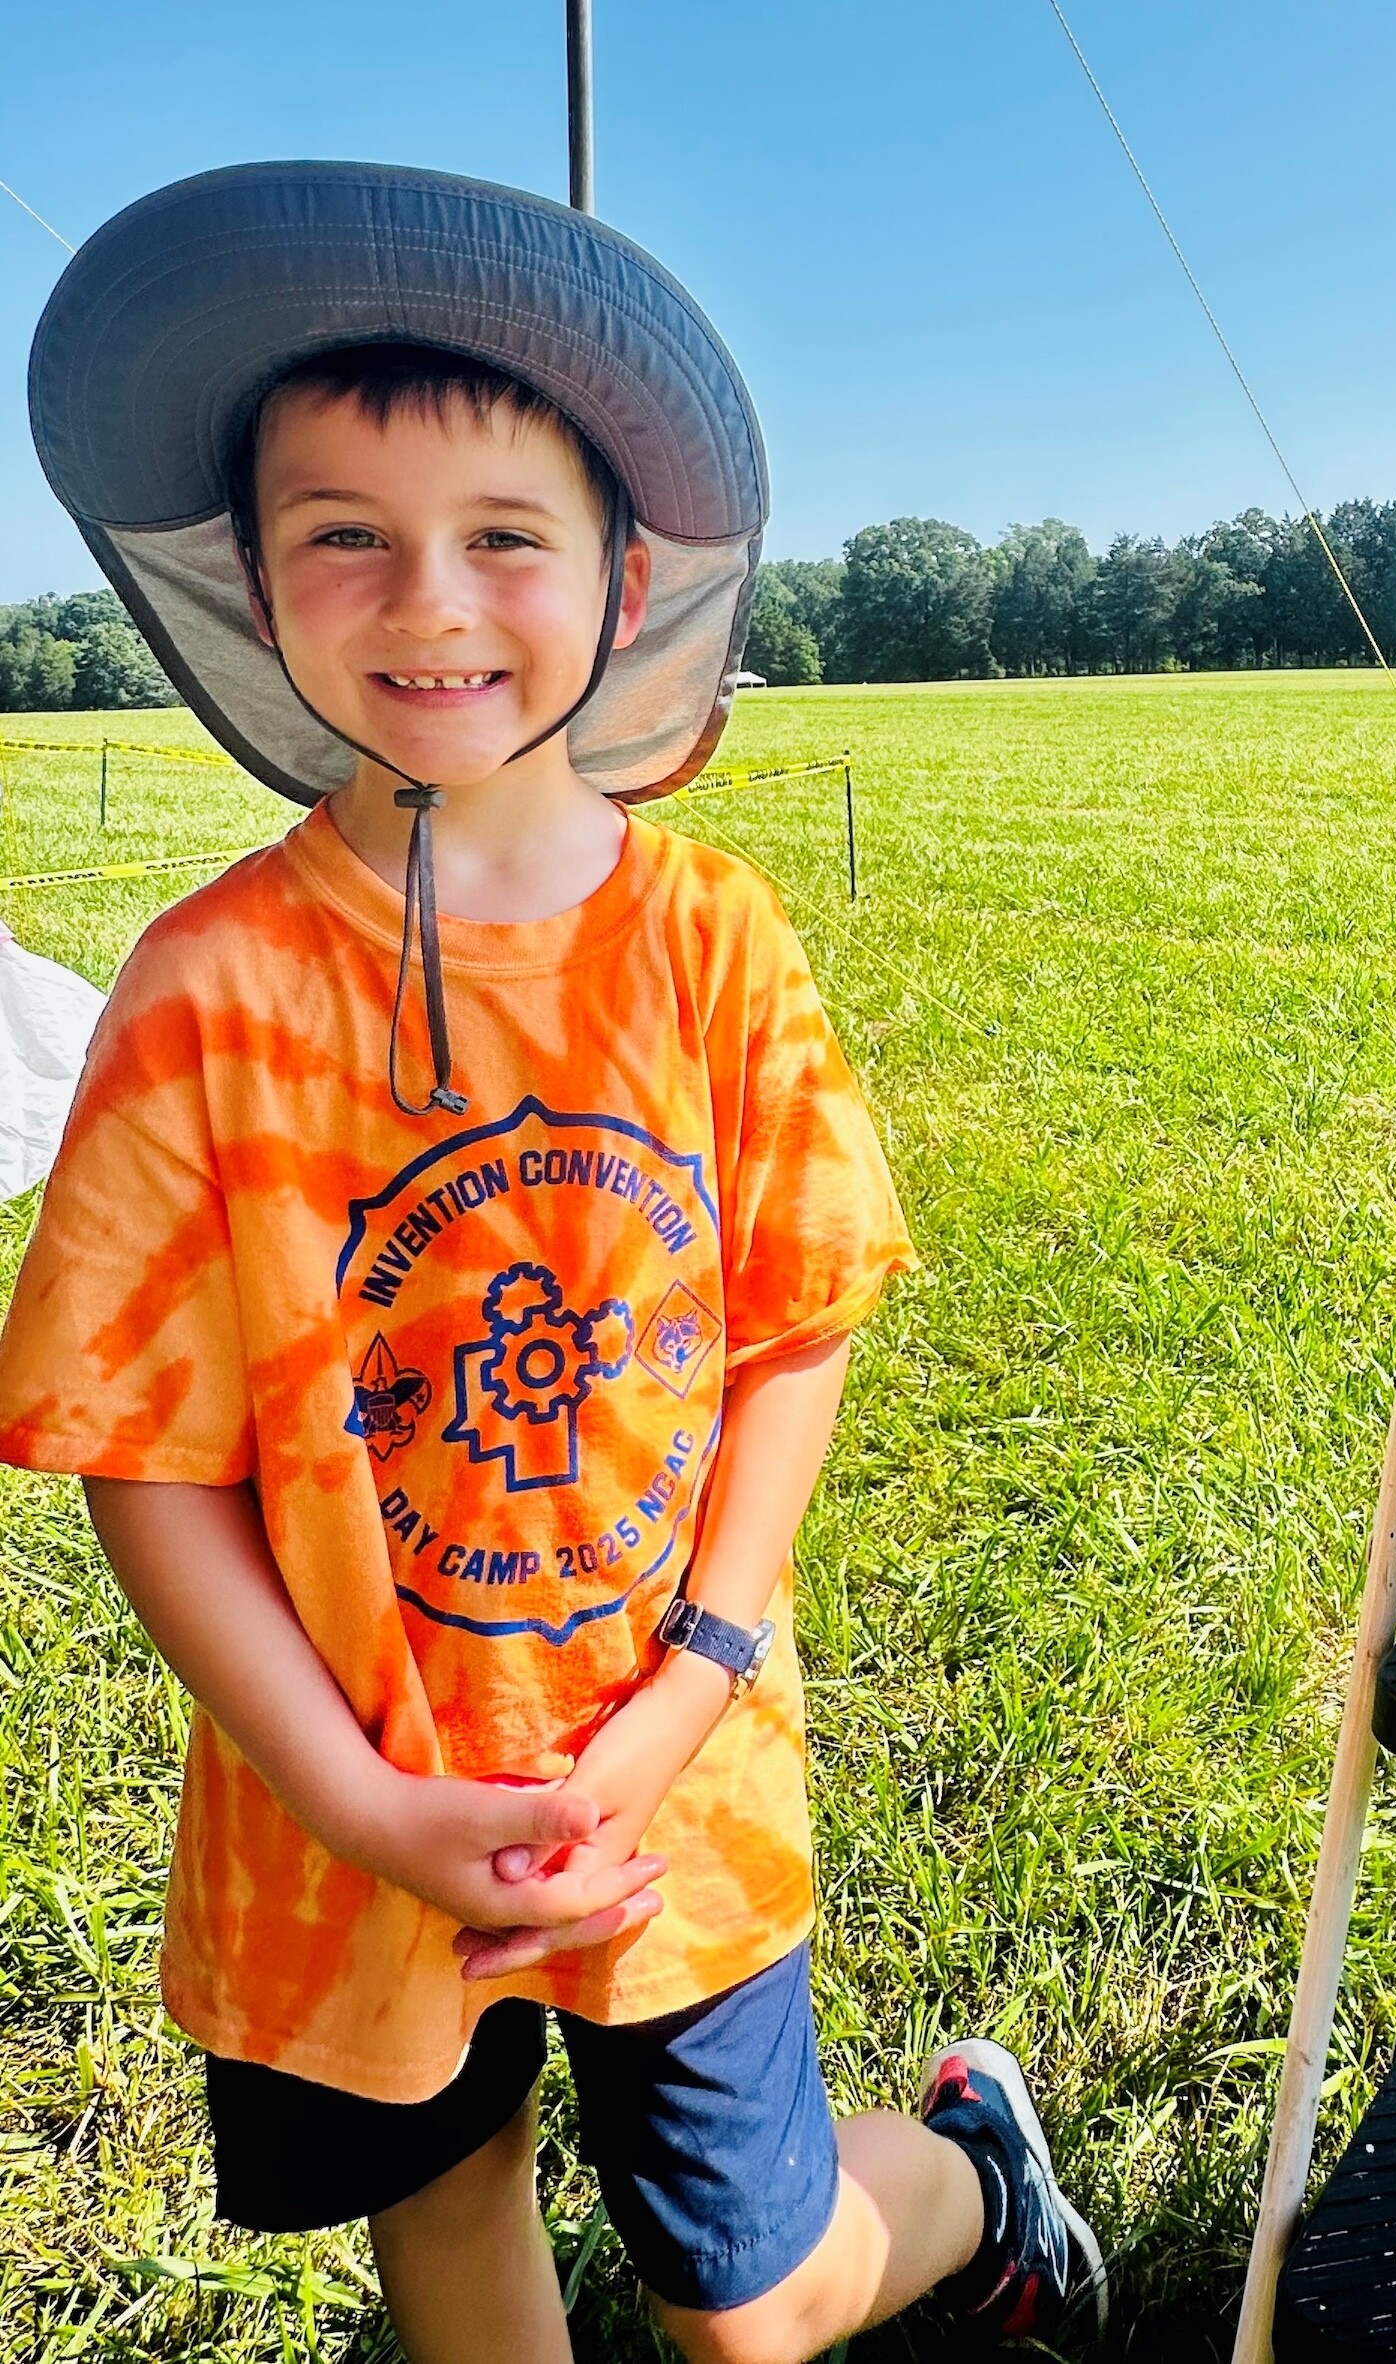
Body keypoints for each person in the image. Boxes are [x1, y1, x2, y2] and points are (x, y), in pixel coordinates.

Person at [0, 162, 1102, 2364]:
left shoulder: (710, 943)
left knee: (749, 2306)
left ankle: (972, 2172)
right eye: (347, 534)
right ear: (253, 578)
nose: (432, 600)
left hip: (664, 1768)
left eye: (506, 534)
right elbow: (147, 1455)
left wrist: (687, 1676)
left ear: (619, 577)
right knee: (452, 2225)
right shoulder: (201, 991)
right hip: (343, 1811)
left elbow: (796, 1322)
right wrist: (366, 1797)